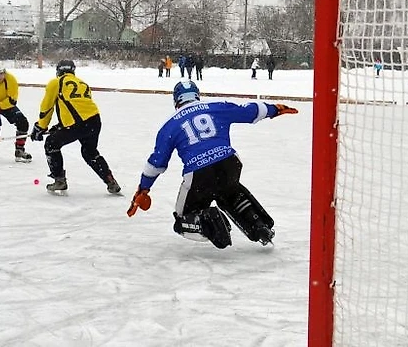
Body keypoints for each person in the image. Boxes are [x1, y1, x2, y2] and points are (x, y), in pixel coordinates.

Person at [126, 80, 299, 249]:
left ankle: (208, 220)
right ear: (196, 96)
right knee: (229, 193)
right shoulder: (216, 107)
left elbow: (157, 163)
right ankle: (259, 224)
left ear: (176, 101)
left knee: (182, 220)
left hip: (198, 171)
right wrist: (274, 109)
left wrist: (144, 188)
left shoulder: (169, 126)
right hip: (229, 163)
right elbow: (249, 112)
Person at [30, 59, 121, 196]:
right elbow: (77, 107)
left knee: (51, 144)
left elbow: (47, 107)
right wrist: (59, 127)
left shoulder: (56, 82)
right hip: (94, 120)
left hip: (79, 123)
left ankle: (59, 179)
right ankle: (110, 180)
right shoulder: (82, 83)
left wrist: (40, 127)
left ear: (58, 71)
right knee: (89, 152)